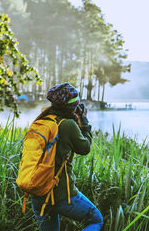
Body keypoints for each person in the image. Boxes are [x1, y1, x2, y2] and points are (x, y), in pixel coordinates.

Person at [29, 82, 103, 231]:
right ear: (73, 107)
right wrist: (85, 123)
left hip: (37, 194)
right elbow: (85, 148)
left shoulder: (41, 121)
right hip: (61, 195)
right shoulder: (67, 124)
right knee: (95, 220)